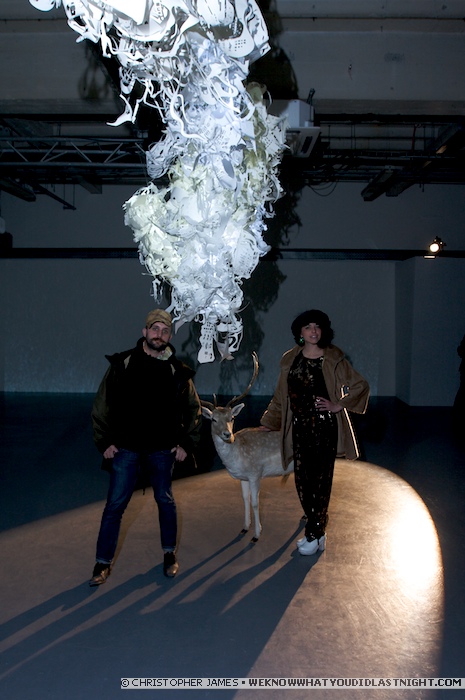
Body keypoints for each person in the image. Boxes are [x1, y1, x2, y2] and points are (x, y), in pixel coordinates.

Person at [90, 309, 202, 584]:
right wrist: (104, 441)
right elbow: (102, 403)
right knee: (115, 506)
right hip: (126, 448)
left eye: (165, 331)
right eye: (155, 329)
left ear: (170, 336)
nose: (159, 335)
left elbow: (193, 409)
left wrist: (186, 443)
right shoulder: (124, 363)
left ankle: (169, 554)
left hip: (162, 449)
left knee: (165, 501)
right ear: (145, 332)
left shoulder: (177, 370)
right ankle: (102, 563)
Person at [260, 309, 369, 555]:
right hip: (299, 428)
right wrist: (270, 420)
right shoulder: (290, 359)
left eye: (317, 326)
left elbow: (360, 385)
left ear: (323, 330)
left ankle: (314, 532)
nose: (313, 331)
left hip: (324, 426)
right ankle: (317, 529)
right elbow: (281, 396)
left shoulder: (333, 358)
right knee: (302, 480)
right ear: (300, 332)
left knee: (320, 481)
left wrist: (338, 405)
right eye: (308, 327)